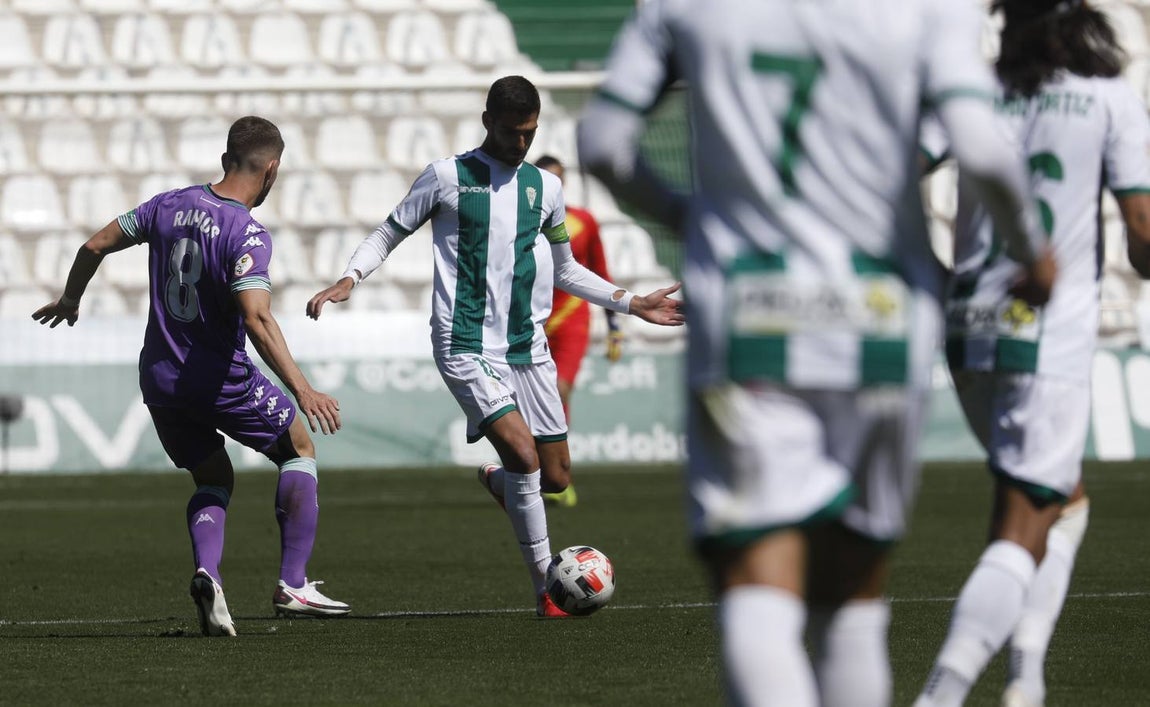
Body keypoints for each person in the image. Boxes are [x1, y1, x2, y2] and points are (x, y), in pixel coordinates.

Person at [578, 1, 1056, 705]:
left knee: (756, 586)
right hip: (882, 323)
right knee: (852, 599)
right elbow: (980, 147)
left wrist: (690, 214)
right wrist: (1031, 251)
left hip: (750, 321)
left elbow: (603, 143)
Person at [306, 76, 684, 617]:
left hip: (528, 349)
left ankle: (503, 483)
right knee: (526, 455)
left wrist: (631, 302)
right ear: (488, 121)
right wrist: (351, 276)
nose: (521, 143)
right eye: (512, 132)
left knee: (554, 477)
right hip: (464, 344)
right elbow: (389, 230)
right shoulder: (446, 177)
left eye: (529, 133)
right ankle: (545, 591)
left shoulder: (545, 189)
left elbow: (567, 270)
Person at [912, 2, 1150, 705]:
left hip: (969, 329)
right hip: (1049, 329)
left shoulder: (970, 92)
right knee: (1025, 525)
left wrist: (934, 274)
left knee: (1060, 503)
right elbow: (1142, 235)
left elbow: (893, 175)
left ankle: (1026, 677)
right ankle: (942, 694)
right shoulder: (1110, 100)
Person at [32, 116, 351, 637]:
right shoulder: (246, 231)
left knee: (213, 478)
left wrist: (71, 299)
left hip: (160, 377)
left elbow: (93, 246)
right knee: (298, 448)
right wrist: (303, 388)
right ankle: (293, 584)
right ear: (271, 170)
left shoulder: (166, 204)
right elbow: (257, 317)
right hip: (220, 378)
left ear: (227, 158)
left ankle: (209, 574)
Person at [534, 154, 623, 507]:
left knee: (559, 389)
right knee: (530, 400)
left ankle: (558, 478)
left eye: (557, 177)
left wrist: (614, 325)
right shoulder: (520, 220)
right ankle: (537, 474)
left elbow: (599, 271)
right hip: (531, 319)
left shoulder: (584, 221)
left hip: (572, 317)